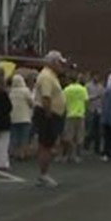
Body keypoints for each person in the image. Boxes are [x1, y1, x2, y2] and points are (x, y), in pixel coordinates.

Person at [32, 50, 67, 188]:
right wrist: (49, 114)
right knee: (46, 145)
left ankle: (43, 173)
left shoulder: (51, 76)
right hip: (48, 114)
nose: (62, 65)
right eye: (60, 62)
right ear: (53, 62)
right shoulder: (47, 76)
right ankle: (43, 175)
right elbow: (46, 97)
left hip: (51, 114)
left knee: (47, 145)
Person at [61, 76, 88, 163]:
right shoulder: (83, 89)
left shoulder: (67, 89)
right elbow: (86, 101)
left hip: (70, 114)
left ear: (69, 80)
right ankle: (77, 156)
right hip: (80, 114)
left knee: (68, 136)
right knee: (79, 137)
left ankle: (66, 155)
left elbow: (63, 102)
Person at [8, 74, 34, 162]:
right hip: (25, 117)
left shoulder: (11, 92)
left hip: (13, 117)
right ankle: (21, 154)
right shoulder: (25, 91)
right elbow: (31, 102)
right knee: (24, 137)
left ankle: (12, 153)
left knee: (14, 136)